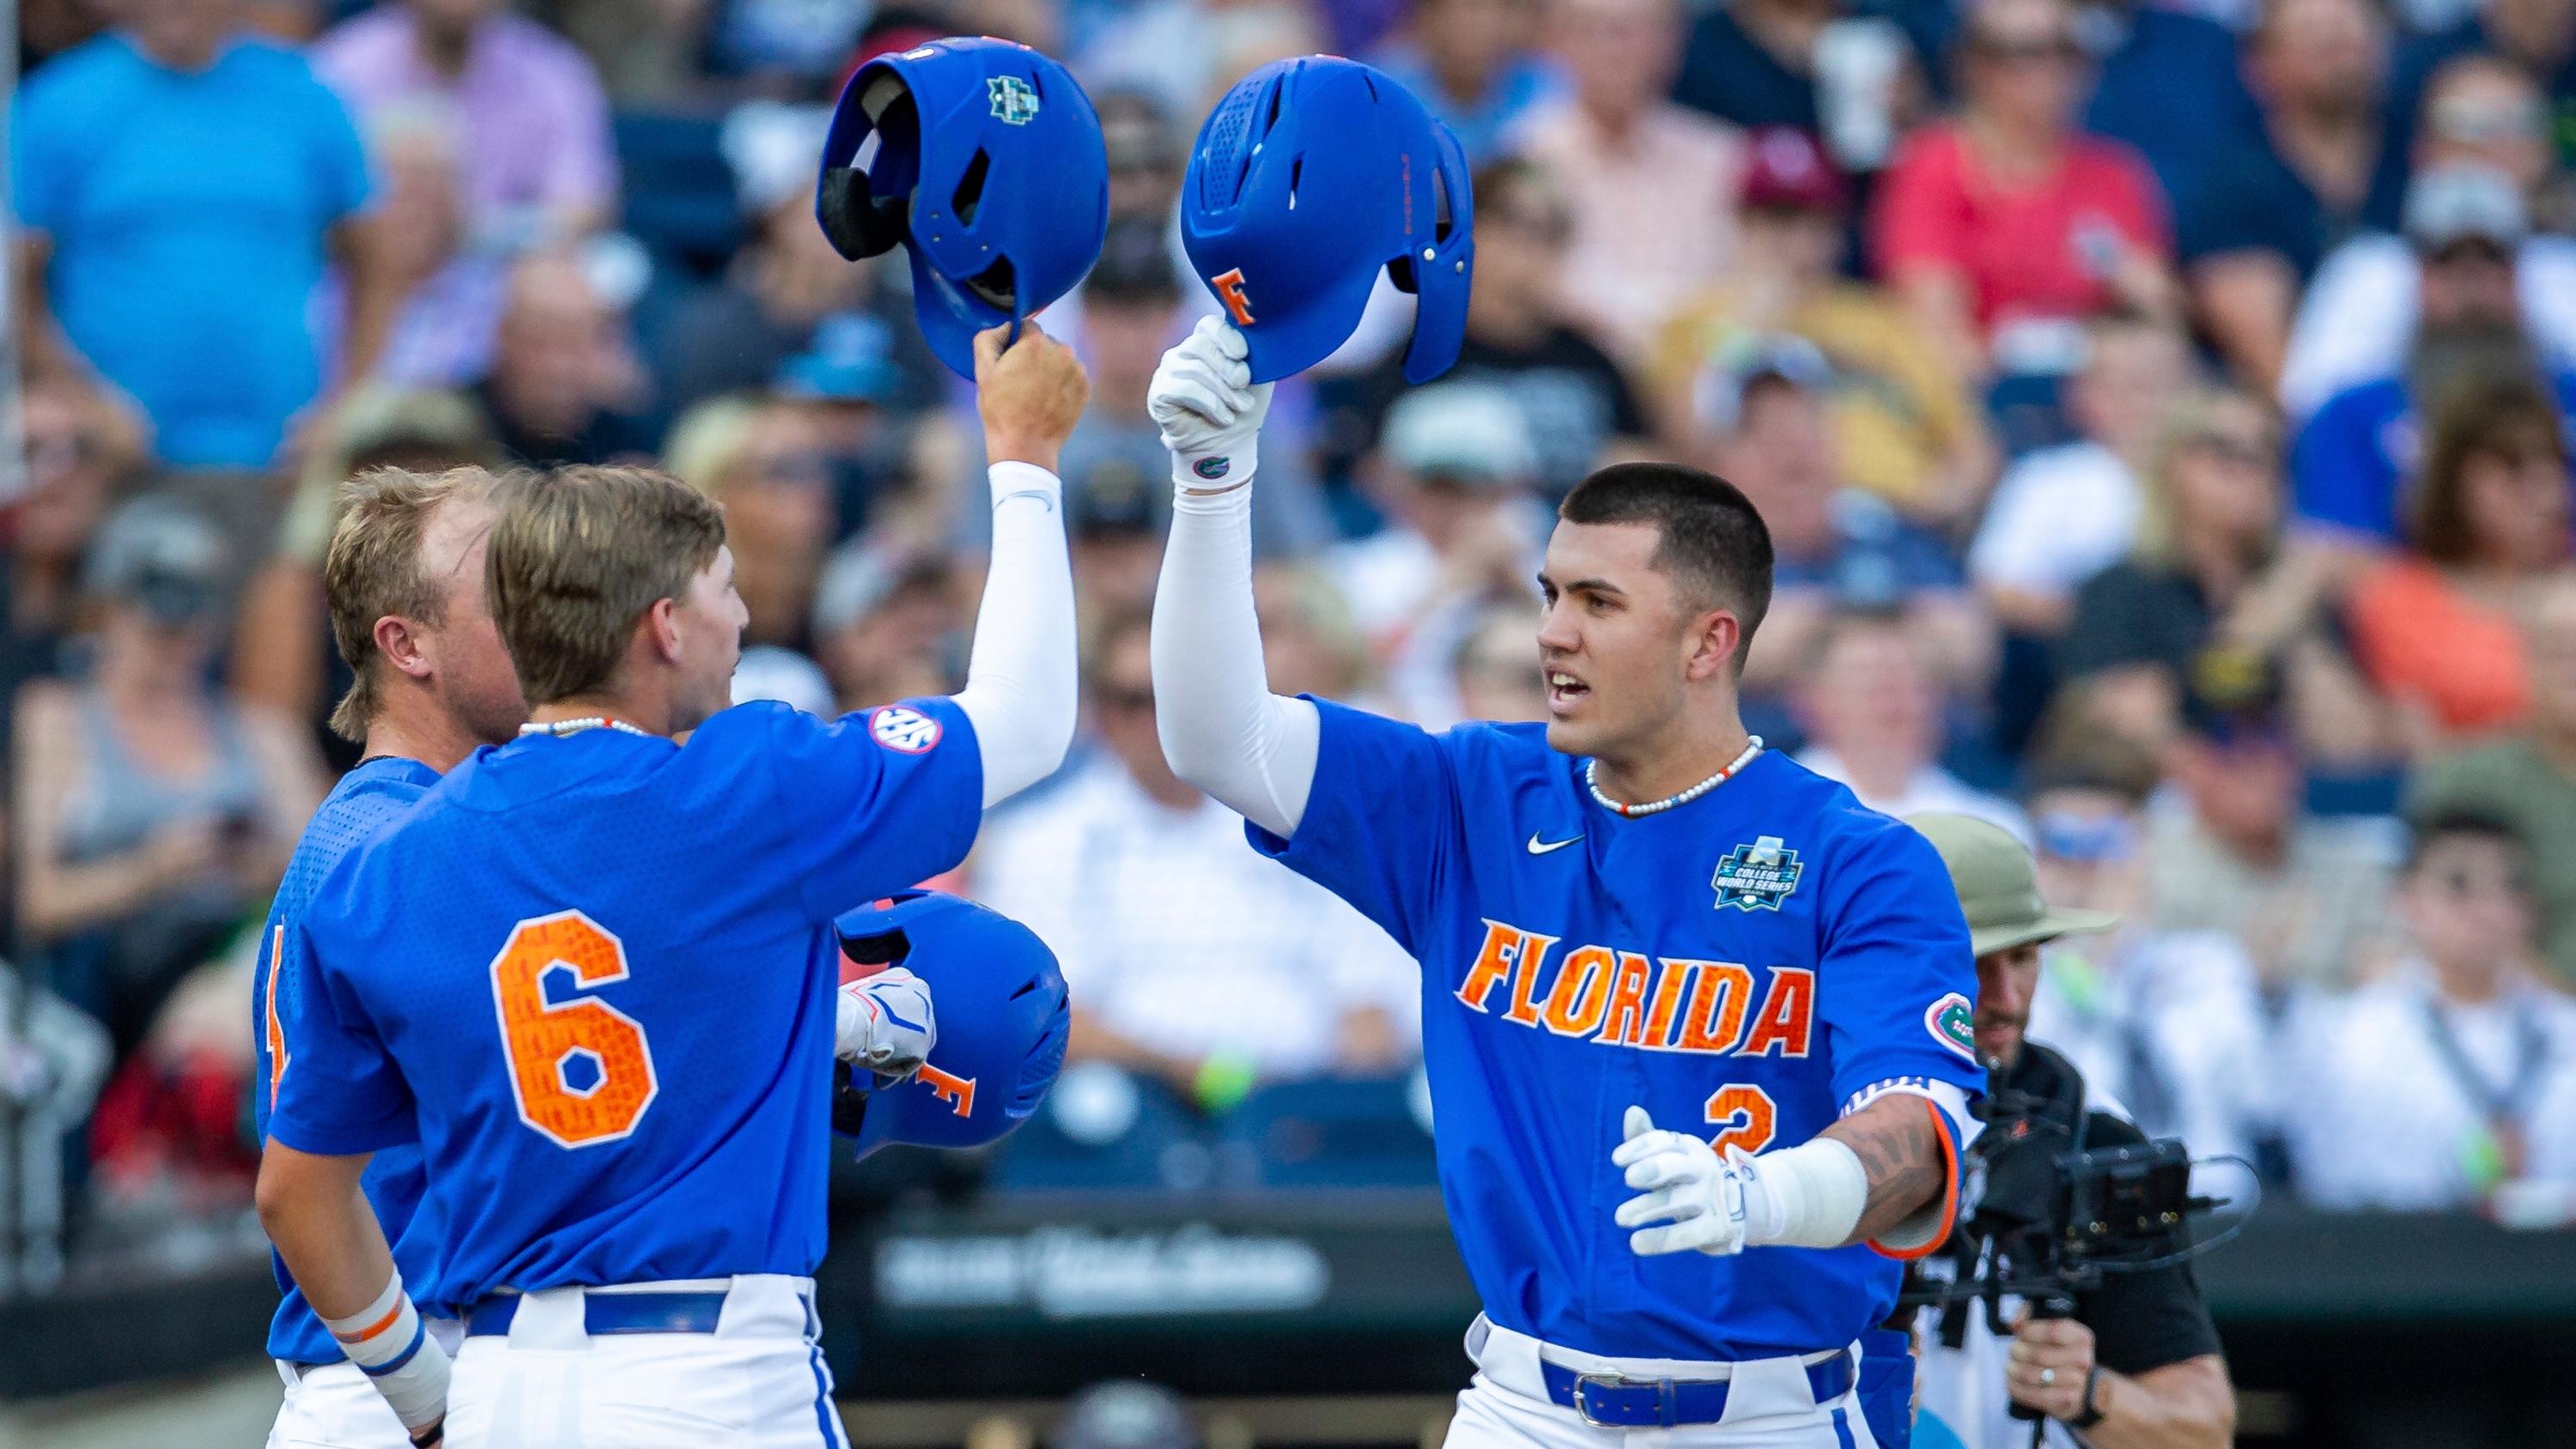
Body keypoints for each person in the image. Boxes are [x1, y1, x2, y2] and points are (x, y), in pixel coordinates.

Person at [1148, 318, 1981, 1446]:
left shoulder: (1859, 857)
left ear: (1706, 643)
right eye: (1549, 594)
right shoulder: (1476, 792)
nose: (1551, 634)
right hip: (1522, 1405)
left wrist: (1766, 1197)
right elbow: (1217, 742)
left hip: (1766, 1415)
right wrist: (1211, 485)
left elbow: (1922, 1137)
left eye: (1598, 603)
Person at [253, 325, 1087, 1443]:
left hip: (493, 1374)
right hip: (674, 1368)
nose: (742, 620)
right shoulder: (738, 785)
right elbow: (1023, 722)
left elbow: (575, 1005)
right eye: (724, 590)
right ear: (661, 625)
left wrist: (825, 1023)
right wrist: (1025, 457)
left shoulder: (401, 855)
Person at [251, 466, 529, 1449]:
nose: (546, 606)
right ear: (405, 643)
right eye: (507, 582)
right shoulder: (398, 843)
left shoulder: (418, 824)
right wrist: (431, 1404)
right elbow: (296, 1191)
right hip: (403, 1373)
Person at [974, 610, 1419, 1112]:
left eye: (1176, 694)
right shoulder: (1042, 840)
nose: (1158, 718)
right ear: (1103, 715)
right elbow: (1045, 1017)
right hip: (1136, 1110)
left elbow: (1369, 994)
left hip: (1310, 1105)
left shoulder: (1296, 818)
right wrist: (1195, 1074)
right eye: (1136, 701)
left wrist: (1340, 1085)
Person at [1905, 812, 2236, 1449]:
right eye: (1973, 961)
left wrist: (2089, 1395)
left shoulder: (2096, 1139)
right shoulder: (1805, 1124)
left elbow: (2206, 1428)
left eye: (2024, 956)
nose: (2006, 997)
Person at [10, 0, 400, 467]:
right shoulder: (58, 102)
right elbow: (15, 289)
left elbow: (377, 265)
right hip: (116, 460)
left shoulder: (307, 96)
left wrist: (345, 410)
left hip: (283, 459)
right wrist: (84, 403)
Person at [12, 498, 329, 1061]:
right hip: (114, 992)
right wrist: (157, 868)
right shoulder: (59, 720)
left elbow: (333, 885)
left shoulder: (260, 732)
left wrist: (256, 864)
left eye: (194, 620)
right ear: (106, 612)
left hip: (242, 971)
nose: (179, 640)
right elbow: (37, 904)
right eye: (159, 621)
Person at [1649, 126, 1990, 528]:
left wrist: (1934, 503)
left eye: (1811, 218)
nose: (1794, 238)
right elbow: (1688, 440)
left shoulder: (1883, 321)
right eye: (1776, 218)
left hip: (1897, 525)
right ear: (1741, 222)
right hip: (1764, 532)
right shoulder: (1693, 322)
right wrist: (1750, 319)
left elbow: (1974, 452)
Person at [309, 0, 617, 389]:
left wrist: (461, 231)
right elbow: (309, 209)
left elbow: (584, 211)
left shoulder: (554, 71)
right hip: (353, 280)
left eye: (431, 187)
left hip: (492, 292)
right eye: (407, 186)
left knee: (564, 299)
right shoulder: (339, 67)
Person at [2280, 812, 2576, 1211]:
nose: (2489, 909)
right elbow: (2337, 1185)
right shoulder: (2353, 1035)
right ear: (2406, 900)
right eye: (2458, 887)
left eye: (2512, 888)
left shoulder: (2562, 1026)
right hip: (2410, 1259)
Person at [1872, 0, 2176, 385]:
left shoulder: (2114, 174)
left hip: (2105, 388)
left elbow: (2162, 320)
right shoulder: (1932, 168)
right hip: (1988, 393)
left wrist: (2141, 299)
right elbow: (1934, 330)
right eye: (2022, 53)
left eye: (2065, 51)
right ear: (1974, 66)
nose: (2048, 72)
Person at [2287, 166, 2576, 554]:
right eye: (2447, 261)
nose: (2470, 284)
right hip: (2404, 604)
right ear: (2418, 276)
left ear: (2517, 275)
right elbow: (2337, 555)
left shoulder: (2569, 399)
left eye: (2490, 260)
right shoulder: (2352, 414)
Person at [2278, 58, 2576, 423]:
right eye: (2468, 124)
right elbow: (2310, 415)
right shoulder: (2369, 272)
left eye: (2518, 124)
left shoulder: (2563, 272)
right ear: (2422, 146)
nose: (2495, 145)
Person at [1334, 159, 1652, 497]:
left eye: (1554, 230)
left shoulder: (1593, 362)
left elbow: (1649, 467)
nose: (1538, 248)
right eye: (1520, 223)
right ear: (1469, 232)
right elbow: (1374, 480)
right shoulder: (1418, 358)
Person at [2177, 0, 2404, 397]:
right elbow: (2280, 375)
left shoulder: (2421, 163)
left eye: (2352, 24)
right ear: (2259, 64)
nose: (2338, 40)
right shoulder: (2233, 188)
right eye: (2313, 30)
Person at [2344, 376, 2572, 751]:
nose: (2548, 496)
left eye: (2554, 468)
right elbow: (2418, 749)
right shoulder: (2396, 602)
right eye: (2515, 470)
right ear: (2456, 480)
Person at [1513, 0, 1745, 360]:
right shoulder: (1519, 158)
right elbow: (1528, 289)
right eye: (1589, 30)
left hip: (1707, 375)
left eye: (1634, 31)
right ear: (1553, 41)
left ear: (1674, 40)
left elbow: (1756, 283)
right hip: (1576, 375)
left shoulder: (1725, 159)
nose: (1613, 50)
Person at [2147, 671, 2401, 992]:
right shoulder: (2146, 871)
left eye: (2274, 738)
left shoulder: (2354, 868)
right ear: (2184, 762)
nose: (2264, 762)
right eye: (2232, 742)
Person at [1327, 382, 1546, 725]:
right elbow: (1349, 676)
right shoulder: (1358, 569)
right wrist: (1445, 586)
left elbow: (1579, 671)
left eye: (1471, 488)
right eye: (1435, 487)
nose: (1451, 506)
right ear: (1401, 487)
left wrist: (1517, 587)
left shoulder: (1542, 569)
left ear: (1507, 489)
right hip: (1406, 752)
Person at [2407, 576, 2576, 991]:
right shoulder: (2467, 780)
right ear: (2525, 659)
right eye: (2558, 651)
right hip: (2519, 1030)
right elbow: (2437, 919)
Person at [1970, 316, 2188, 637]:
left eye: (2154, 384)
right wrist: (2108, 628)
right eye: (2119, 386)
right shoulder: (2048, 479)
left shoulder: (2221, 469)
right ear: (2081, 394)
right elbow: (1998, 585)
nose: (2140, 402)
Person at [1793, 609, 2028, 841]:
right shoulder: (1773, 812)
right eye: (1867, 681)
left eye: (1911, 681)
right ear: (1812, 701)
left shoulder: (1994, 829)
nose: (1891, 700)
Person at [1369, 0, 1564, 163]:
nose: (1468, 28)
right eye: (1451, 11)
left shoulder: (1542, 87)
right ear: (1427, 17)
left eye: (1479, 10)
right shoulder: (1383, 87)